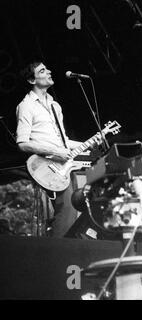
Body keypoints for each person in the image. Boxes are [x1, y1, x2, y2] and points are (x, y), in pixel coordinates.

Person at [15, 61, 90, 237]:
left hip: (63, 166)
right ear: (31, 80)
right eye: (42, 70)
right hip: (45, 166)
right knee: (65, 212)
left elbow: (63, 141)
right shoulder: (26, 106)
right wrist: (56, 151)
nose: (49, 71)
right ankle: (57, 253)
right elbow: (22, 143)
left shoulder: (54, 105)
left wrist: (93, 141)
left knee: (71, 210)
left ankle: (65, 248)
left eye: (47, 68)